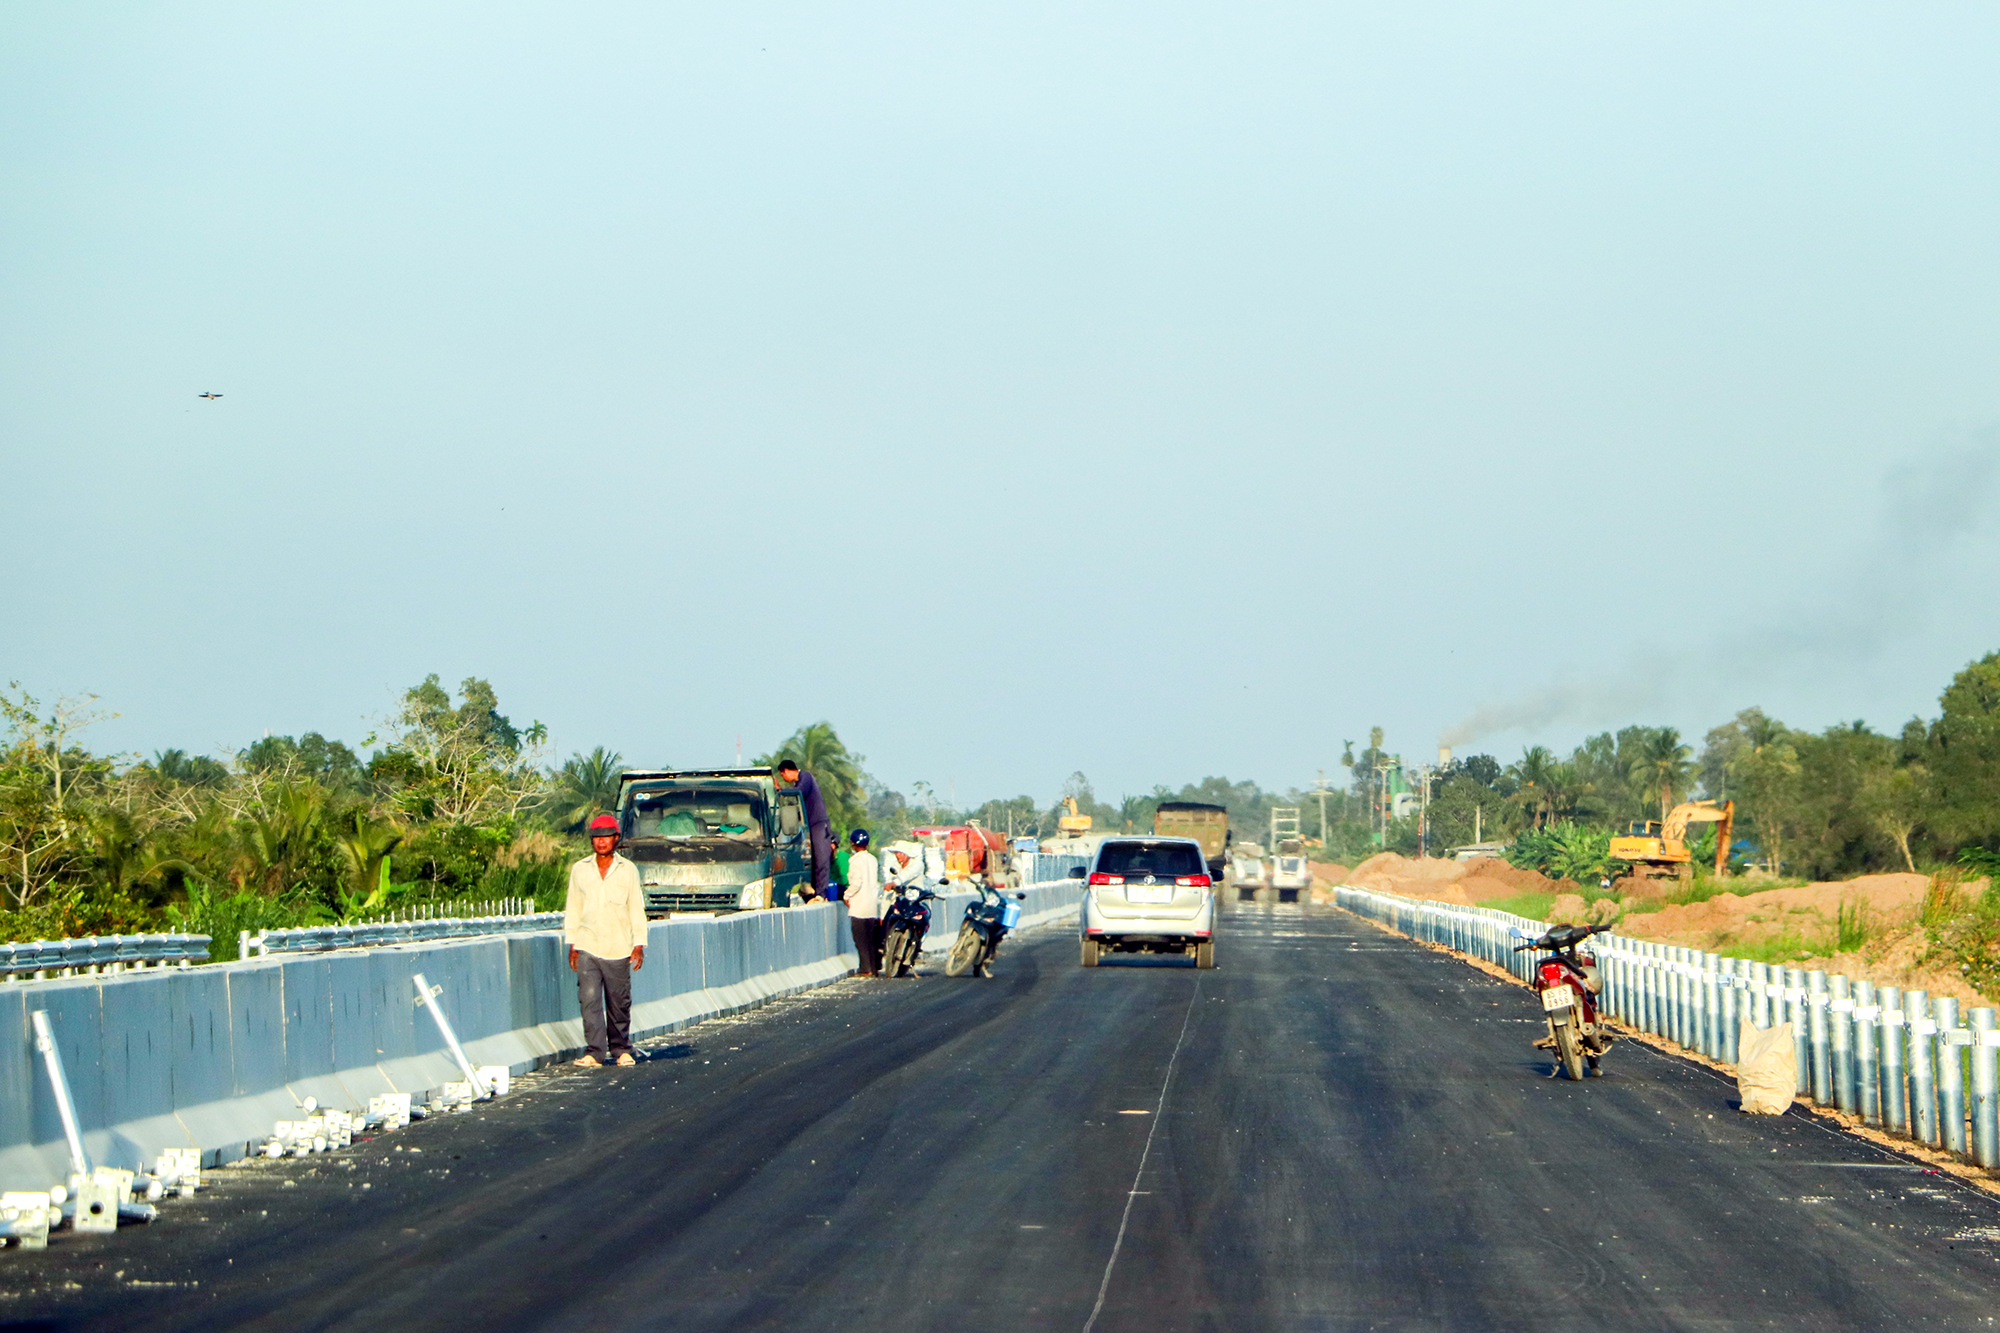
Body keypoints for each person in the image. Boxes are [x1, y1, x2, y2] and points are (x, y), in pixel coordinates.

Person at [565, 813, 647, 1068]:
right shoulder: (580, 869)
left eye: (606, 837)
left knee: (618, 1001)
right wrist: (573, 944)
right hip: (588, 943)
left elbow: (636, 907)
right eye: (596, 838)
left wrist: (638, 944)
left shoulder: (627, 870)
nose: (601, 842)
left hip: (618, 946)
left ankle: (621, 1049)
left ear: (615, 839)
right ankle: (594, 1052)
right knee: (588, 999)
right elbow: (573, 908)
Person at [777, 760, 832, 902]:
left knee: (821, 859)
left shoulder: (806, 777)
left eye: (783, 775)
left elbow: (800, 791)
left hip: (819, 824)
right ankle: (813, 891)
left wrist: (781, 790)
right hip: (810, 826)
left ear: (787, 771)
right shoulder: (797, 784)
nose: (784, 779)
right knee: (810, 860)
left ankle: (821, 893)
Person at [841, 828, 884, 976]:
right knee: (871, 940)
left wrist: (847, 895)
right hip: (871, 905)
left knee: (860, 941)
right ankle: (873, 967)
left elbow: (856, 882)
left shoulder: (855, 861)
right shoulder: (872, 860)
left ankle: (866, 969)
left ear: (853, 844)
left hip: (859, 906)